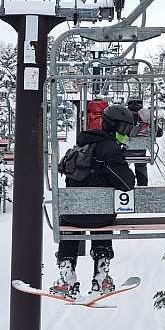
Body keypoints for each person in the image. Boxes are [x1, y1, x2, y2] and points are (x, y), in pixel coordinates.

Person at [50, 105, 135, 299]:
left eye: (127, 129)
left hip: (71, 215)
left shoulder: (81, 144)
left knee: (71, 221)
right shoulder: (110, 149)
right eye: (122, 129)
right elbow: (126, 183)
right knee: (102, 217)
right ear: (111, 126)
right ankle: (101, 276)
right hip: (100, 216)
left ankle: (67, 277)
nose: (124, 134)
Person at [124, 98, 149, 186]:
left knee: (122, 164)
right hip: (141, 151)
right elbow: (159, 132)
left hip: (125, 151)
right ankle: (142, 184)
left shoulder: (124, 117)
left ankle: (125, 183)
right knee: (141, 165)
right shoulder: (146, 118)